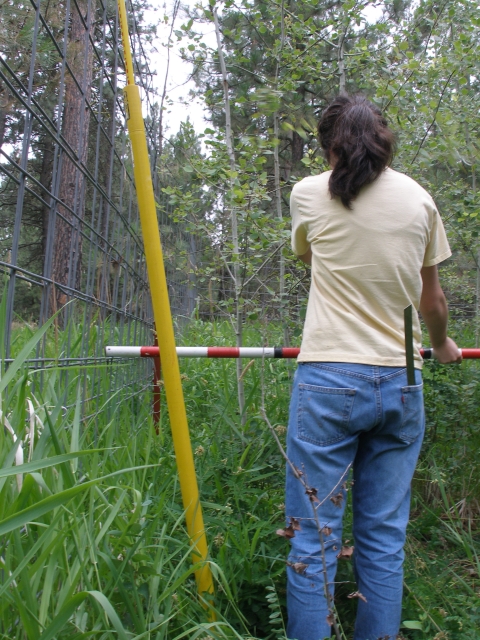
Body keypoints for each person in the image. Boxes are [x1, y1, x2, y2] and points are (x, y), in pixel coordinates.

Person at [285, 94, 461, 640]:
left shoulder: (308, 194)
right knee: (383, 540)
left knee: (313, 539)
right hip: (402, 382)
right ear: (383, 139)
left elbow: (315, 259)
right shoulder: (419, 200)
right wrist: (442, 344)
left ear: (327, 145)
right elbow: (432, 301)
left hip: (328, 379)